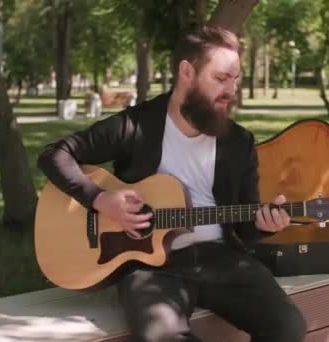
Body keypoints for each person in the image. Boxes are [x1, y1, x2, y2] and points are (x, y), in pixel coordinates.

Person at [38, 25, 306, 342]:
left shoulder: (238, 142)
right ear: (186, 72)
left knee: (288, 328)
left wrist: (267, 224)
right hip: (150, 269)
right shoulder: (137, 125)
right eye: (221, 79)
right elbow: (55, 154)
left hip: (221, 260)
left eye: (235, 80)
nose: (230, 91)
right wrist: (98, 199)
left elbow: (246, 229)